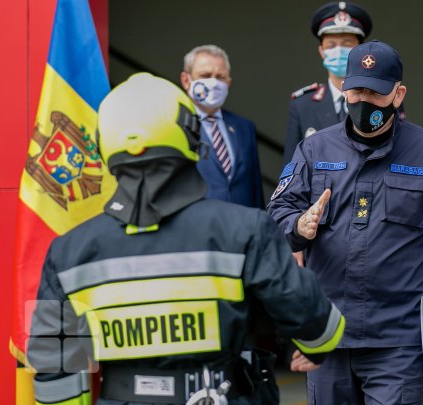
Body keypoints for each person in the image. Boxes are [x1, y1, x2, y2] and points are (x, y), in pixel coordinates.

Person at [26, 73, 345, 405]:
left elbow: (53, 370)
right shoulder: (245, 228)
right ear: (192, 137)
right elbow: (319, 328)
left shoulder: (67, 252)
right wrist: (315, 345)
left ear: (103, 145)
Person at [269, 40, 423, 404]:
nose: (363, 101)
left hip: (398, 338)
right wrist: (299, 226)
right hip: (328, 332)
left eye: (375, 93)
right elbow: (277, 216)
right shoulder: (315, 149)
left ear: (398, 94)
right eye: (356, 90)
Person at [282, 1, 373, 164]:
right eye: (331, 45)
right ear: (321, 51)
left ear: (361, 49)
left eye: (347, 44)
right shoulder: (302, 105)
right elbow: (291, 169)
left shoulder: (380, 97)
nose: (338, 50)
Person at [180, 44, 264, 209]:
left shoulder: (244, 127)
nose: (213, 82)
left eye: (220, 77)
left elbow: (255, 189)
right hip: (196, 228)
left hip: (243, 228)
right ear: (186, 80)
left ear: (229, 82)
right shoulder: (176, 124)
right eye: (205, 75)